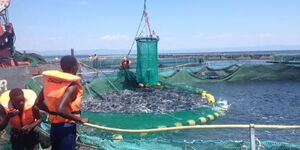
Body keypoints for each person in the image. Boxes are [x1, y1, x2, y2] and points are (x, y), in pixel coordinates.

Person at [35, 55, 89, 150]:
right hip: (66, 126)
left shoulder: (51, 81)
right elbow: (61, 109)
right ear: (74, 67)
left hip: (54, 126)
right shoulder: (72, 85)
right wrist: (79, 119)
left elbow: (38, 102)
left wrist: (51, 111)